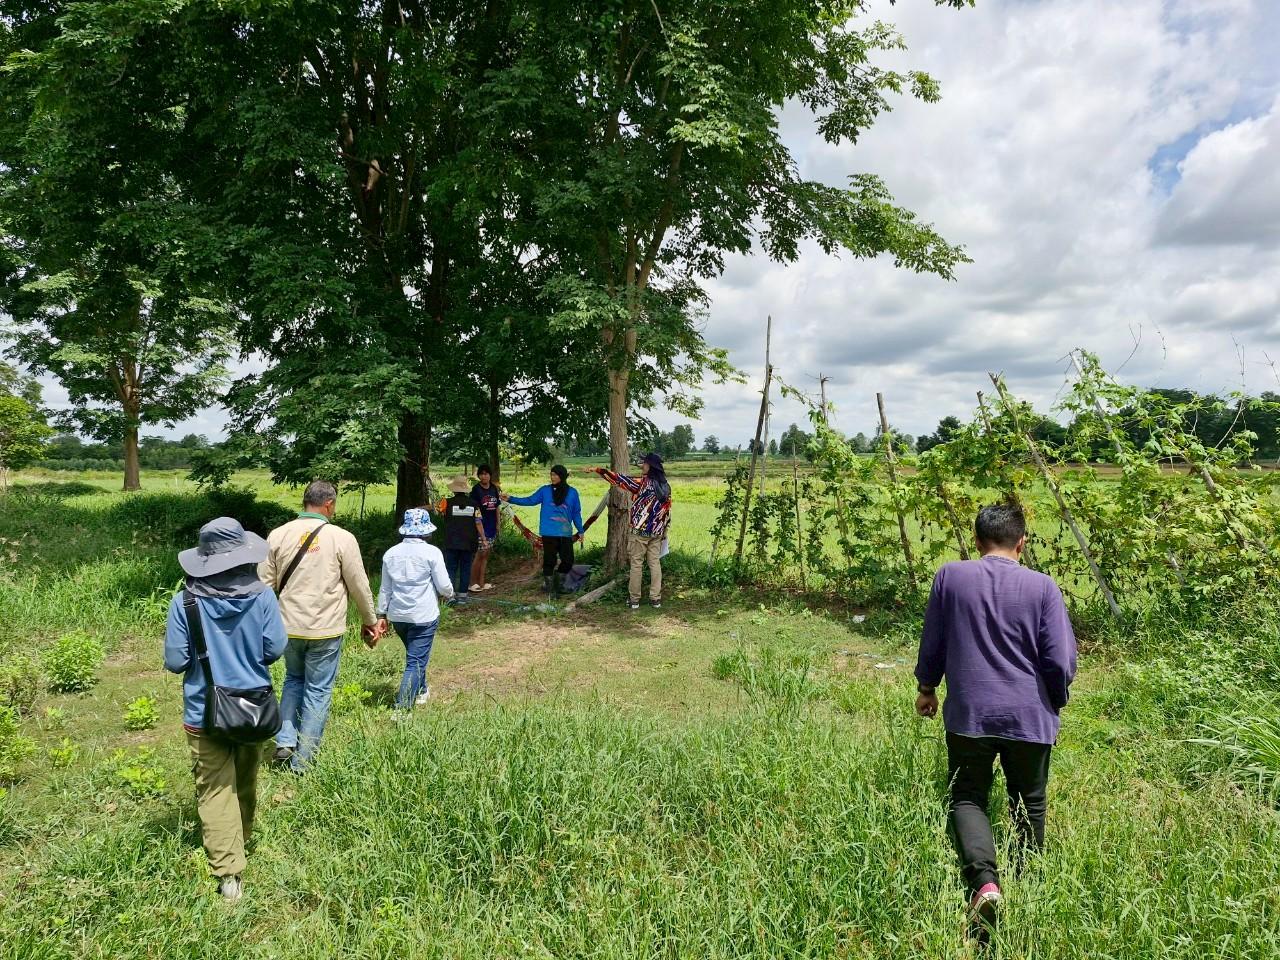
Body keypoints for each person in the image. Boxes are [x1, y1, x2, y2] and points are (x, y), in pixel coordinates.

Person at [914, 502, 1077, 932]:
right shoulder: (1043, 587)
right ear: (1022, 543)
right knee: (1030, 802)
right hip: (1030, 715)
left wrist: (927, 688)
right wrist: (1054, 700)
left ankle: (985, 885)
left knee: (968, 796)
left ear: (975, 541)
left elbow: (934, 641)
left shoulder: (951, 576)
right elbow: (1059, 659)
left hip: (969, 713)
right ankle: (1029, 883)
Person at [164, 517, 287, 902]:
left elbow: (175, 660)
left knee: (214, 788)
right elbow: (274, 649)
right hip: (252, 707)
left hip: (204, 710)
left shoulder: (185, 601)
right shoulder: (263, 596)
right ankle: (242, 840)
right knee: (246, 778)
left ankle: (229, 874)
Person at [259, 480, 379, 773]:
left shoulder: (277, 535)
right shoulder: (342, 538)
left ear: (305, 502)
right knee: (318, 690)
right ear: (329, 504)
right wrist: (370, 621)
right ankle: (305, 760)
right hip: (326, 629)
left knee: (292, 680)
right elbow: (359, 586)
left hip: (288, 627)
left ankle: (285, 740)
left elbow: (263, 586)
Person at [374, 507, 454, 714]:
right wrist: (451, 594)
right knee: (416, 661)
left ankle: (422, 690)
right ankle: (402, 709)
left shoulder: (390, 554)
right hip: (423, 615)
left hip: (398, 615)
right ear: (426, 531)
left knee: (415, 655)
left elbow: (385, 588)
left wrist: (381, 614)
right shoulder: (432, 552)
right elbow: (444, 586)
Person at [585, 452, 672, 610]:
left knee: (636, 565)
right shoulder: (666, 486)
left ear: (650, 466)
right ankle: (655, 599)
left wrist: (598, 470)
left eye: (644, 463)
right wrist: (664, 530)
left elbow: (618, 479)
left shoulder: (642, 483)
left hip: (639, 532)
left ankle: (634, 600)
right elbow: (667, 511)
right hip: (657, 533)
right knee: (654, 564)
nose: (642, 465)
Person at [500, 464, 584, 597]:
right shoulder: (545, 491)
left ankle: (559, 585)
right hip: (548, 532)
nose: (553, 477)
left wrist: (581, 530)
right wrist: (511, 499)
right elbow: (530, 500)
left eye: (555, 474)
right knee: (549, 561)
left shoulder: (573, 492)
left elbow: (576, 513)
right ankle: (550, 589)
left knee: (568, 561)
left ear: (562, 476)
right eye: (551, 474)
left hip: (565, 532)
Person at [437, 475, 487, 603]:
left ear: (453, 490)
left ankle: (450, 596)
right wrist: (484, 539)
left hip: (452, 541)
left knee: (451, 568)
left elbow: (438, 510)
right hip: (469, 542)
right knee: (465, 568)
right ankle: (463, 596)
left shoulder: (446, 502)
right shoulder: (474, 504)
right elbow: (478, 522)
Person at [470, 465, 501, 591]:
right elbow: (475, 510)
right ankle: (472, 583)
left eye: (486, 473)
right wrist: (480, 529)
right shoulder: (476, 490)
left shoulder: (494, 488)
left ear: (490, 475)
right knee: (479, 554)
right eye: (481, 474)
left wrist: (498, 523)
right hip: (480, 527)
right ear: (478, 476)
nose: (484, 476)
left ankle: (482, 582)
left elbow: (497, 507)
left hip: (492, 526)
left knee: (486, 554)